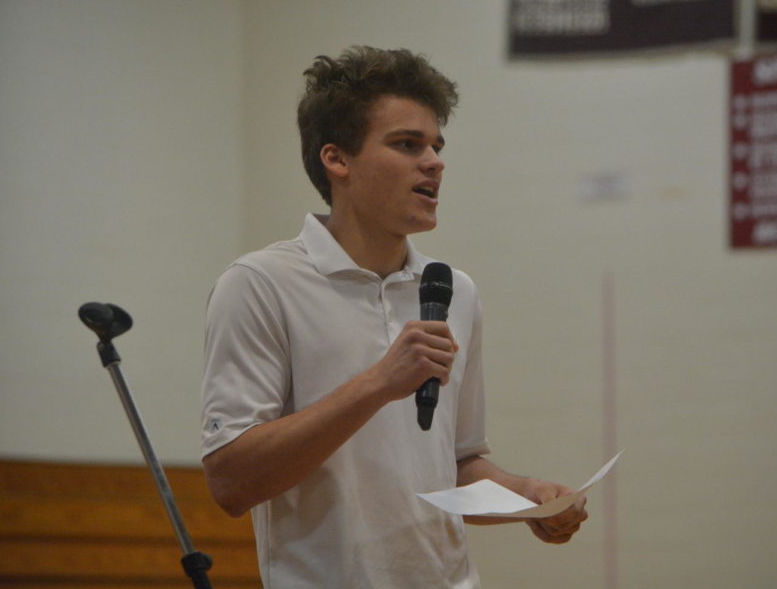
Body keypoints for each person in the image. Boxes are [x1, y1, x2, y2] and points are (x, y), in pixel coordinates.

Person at [200, 45, 588, 588]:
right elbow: (231, 482)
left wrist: (524, 497)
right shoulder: (260, 284)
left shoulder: (456, 291)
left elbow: (456, 464)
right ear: (337, 160)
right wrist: (380, 383)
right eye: (408, 145)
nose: (434, 162)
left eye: (436, 146)